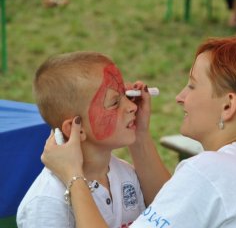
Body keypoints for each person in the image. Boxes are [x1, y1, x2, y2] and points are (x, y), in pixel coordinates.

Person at [41, 37, 236, 227]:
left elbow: (196, 192)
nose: (180, 97)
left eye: (192, 86)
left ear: (228, 105)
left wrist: (73, 175)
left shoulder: (211, 170)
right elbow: (176, 204)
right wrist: (141, 135)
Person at [17, 51, 169, 228]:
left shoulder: (127, 175)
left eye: (126, 95)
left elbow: (171, 211)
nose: (132, 106)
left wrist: (140, 132)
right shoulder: (47, 202)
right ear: (76, 127)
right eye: (114, 103)